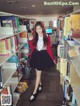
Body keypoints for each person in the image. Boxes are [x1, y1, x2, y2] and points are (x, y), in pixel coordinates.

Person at [28, 21, 56, 102]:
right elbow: (32, 47)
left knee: (38, 74)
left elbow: (49, 49)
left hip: (42, 56)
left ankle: (34, 92)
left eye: (40, 28)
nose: (38, 30)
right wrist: (30, 41)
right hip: (35, 55)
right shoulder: (34, 36)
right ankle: (40, 84)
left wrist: (53, 58)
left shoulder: (47, 36)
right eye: (36, 29)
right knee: (37, 71)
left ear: (42, 28)